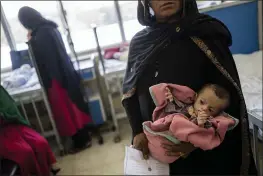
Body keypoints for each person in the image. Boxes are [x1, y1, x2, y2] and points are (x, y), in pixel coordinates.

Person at [122, 0, 257, 175]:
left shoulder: (206, 33)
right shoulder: (140, 43)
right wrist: (137, 131)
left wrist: (196, 140)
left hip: (201, 151)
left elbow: (227, 96)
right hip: (157, 147)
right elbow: (130, 91)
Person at [18, 6, 103, 153]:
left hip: (57, 79)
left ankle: (82, 141)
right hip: (64, 73)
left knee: (67, 112)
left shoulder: (41, 34)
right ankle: (83, 136)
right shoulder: (49, 27)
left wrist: (31, 42)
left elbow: (45, 59)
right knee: (73, 109)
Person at [143, 83, 239, 164]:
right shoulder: (186, 106)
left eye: (210, 109)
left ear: (216, 114)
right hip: (161, 136)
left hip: (176, 148)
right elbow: (172, 111)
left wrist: (200, 124)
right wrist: (171, 100)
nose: (204, 108)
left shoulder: (208, 121)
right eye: (202, 102)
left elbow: (202, 135)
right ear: (196, 97)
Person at [0, 86, 60, 176]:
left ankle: (45, 172)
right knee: (25, 152)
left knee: (40, 143)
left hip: (12, 125)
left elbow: (11, 110)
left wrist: (6, 115)